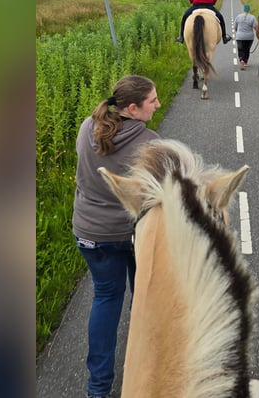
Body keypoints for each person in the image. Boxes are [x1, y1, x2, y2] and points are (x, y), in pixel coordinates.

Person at [72, 75, 161, 398]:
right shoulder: (149, 144)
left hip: (89, 232)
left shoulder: (87, 127)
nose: (158, 104)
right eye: (153, 100)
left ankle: (97, 388)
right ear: (134, 108)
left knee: (106, 299)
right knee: (144, 301)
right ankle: (147, 375)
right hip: (132, 235)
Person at [234, 4, 258, 68]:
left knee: (240, 49)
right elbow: (256, 28)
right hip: (249, 37)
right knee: (247, 49)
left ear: (244, 9)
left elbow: (235, 27)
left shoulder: (238, 16)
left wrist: (238, 32)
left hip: (240, 36)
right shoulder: (252, 17)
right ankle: (245, 62)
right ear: (249, 10)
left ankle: (241, 59)